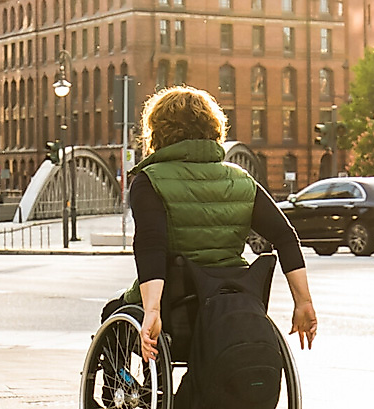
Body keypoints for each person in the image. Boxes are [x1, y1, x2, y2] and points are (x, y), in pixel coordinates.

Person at [109, 86, 318, 362]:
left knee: (111, 313)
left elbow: (151, 245)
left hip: (176, 311)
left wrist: (152, 310)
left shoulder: (150, 180)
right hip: (233, 305)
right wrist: (303, 302)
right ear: (213, 128)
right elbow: (285, 236)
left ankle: (120, 387)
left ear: (157, 132)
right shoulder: (241, 180)